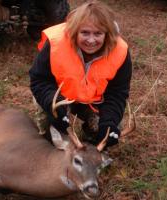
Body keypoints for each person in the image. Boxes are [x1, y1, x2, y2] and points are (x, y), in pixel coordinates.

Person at [29, 0, 132, 148]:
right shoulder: (55, 44)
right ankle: (50, 140)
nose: (91, 40)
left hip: (93, 102)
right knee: (50, 126)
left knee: (109, 127)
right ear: (75, 30)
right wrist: (55, 105)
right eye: (85, 33)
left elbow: (117, 93)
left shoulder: (120, 52)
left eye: (98, 34)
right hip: (60, 98)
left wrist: (109, 121)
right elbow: (39, 80)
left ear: (107, 34)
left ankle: (92, 139)